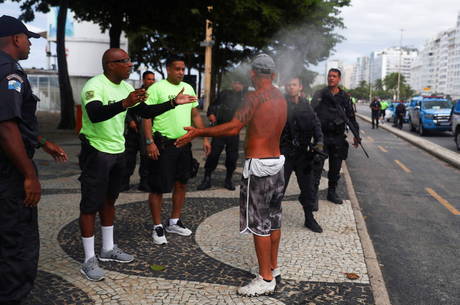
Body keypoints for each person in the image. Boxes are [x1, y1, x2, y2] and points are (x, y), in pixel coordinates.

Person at [78, 48, 196, 281]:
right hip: (96, 151)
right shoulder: (95, 85)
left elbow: (145, 111)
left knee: (110, 200)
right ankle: (88, 259)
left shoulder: (125, 88)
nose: (130, 65)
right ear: (111, 65)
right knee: (90, 205)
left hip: (117, 150)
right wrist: (124, 103)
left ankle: (108, 249)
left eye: (130, 60)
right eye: (125, 61)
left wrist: (173, 102)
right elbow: (95, 114)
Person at [176, 54, 287, 297]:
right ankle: (273, 267)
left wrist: (199, 132)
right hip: (277, 165)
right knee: (274, 220)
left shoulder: (253, 97)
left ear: (253, 74)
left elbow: (235, 127)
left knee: (259, 225)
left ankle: (265, 278)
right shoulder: (281, 96)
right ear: (274, 75)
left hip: (259, 168)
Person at [0, 15, 68, 304]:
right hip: (8, 173)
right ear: (16, 39)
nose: (29, 44)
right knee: (15, 241)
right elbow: (5, 126)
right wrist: (30, 175)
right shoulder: (9, 72)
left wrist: (41, 141)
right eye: (27, 39)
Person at [142, 56, 211, 245]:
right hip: (163, 144)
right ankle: (157, 226)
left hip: (184, 145)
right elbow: (146, 117)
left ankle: (174, 221)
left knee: (182, 182)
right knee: (158, 186)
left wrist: (204, 136)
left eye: (183, 69)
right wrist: (149, 142)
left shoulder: (188, 88)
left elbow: (194, 113)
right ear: (168, 69)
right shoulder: (156, 88)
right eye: (177, 69)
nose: (181, 72)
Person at [281, 76, 324, 233]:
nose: (290, 87)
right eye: (288, 84)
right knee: (279, 188)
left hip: (303, 154)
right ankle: (272, 216)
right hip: (284, 153)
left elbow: (316, 126)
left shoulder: (307, 106)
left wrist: (319, 143)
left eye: (294, 85)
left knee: (308, 189)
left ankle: (309, 218)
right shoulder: (280, 104)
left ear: (300, 88)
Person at [311, 68, 360, 205]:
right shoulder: (320, 94)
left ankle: (331, 193)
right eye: (329, 76)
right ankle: (313, 196)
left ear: (339, 79)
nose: (331, 78)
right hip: (322, 137)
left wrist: (356, 134)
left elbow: (351, 117)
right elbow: (310, 113)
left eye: (334, 76)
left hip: (338, 138)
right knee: (317, 167)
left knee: (335, 167)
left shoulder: (345, 97)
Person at [197, 79, 245, 191]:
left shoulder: (245, 98)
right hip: (220, 129)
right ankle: (206, 179)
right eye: (236, 83)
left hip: (233, 132)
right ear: (233, 84)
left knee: (232, 157)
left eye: (240, 83)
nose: (237, 85)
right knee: (213, 155)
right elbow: (213, 106)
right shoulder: (225, 93)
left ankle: (228, 179)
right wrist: (211, 114)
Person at [121, 70, 155, 191]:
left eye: (153, 79)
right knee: (129, 158)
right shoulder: (136, 93)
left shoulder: (156, 93)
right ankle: (124, 182)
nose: (151, 81)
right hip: (133, 131)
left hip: (146, 132)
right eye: (148, 79)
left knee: (146, 159)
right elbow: (126, 108)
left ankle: (144, 182)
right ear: (143, 80)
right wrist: (130, 121)